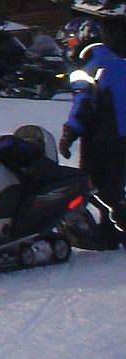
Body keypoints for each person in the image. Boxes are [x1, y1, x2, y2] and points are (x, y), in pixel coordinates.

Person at [59, 17, 126, 248]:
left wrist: (69, 133)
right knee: (114, 184)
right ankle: (110, 232)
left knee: (93, 185)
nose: (68, 44)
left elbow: (84, 103)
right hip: (120, 133)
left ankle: (117, 229)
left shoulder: (89, 63)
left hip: (102, 135)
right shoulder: (117, 58)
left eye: (71, 38)